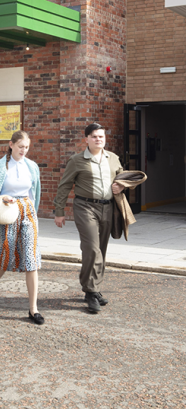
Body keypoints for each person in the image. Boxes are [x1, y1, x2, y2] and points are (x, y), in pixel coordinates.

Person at [53, 122, 124, 314]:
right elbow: (64, 185)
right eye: (94, 136)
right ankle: (91, 291)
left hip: (108, 208)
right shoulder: (77, 160)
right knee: (92, 248)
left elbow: (123, 178)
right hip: (85, 207)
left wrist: (121, 186)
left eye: (101, 136)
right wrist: (59, 211)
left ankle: (93, 288)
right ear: (87, 139)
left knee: (101, 250)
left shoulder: (113, 158)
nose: (98, 139)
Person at [0, 130, 44, 325]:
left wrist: (33, 212)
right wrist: (4, 198)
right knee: (4, 255)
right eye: (21, 146)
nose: (24, 150)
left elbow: (34, 192)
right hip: (7, 212)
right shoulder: (0, 166)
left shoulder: (32, 166)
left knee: (31, 258)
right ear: (11, 145)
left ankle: (33, 309)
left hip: (27, 212)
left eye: (27, 147)